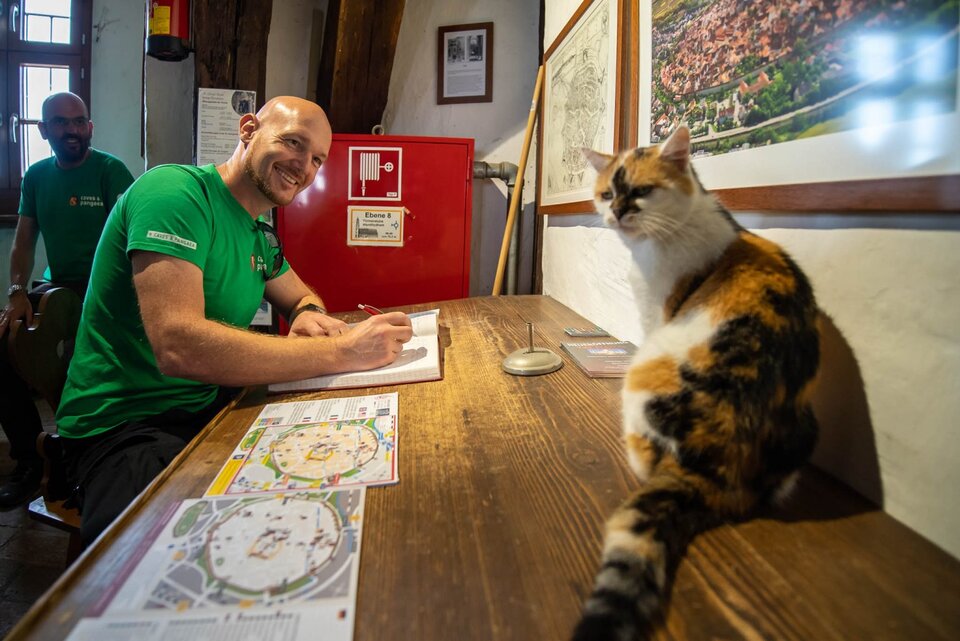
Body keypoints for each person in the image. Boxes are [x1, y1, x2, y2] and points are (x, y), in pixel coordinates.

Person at [55, 96, 413, 545]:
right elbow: (178, 344)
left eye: (317, 159)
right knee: (161, 556)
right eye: (293, 143)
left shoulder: (258, 232)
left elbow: (302, 295)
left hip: (203, 409)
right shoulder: (175, 193)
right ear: (248, 130)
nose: (303, 167)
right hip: (123, 427)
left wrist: (307, 315)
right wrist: (340, 350)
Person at [0, 92, 134, 509]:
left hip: (106, 286)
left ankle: (84, 457)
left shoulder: (111, 171)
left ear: (90, 127)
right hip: (55, 287)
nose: (72, 130)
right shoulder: (36, 176)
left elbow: (136, 238)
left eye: (80, 122)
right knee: (4, 343)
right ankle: (28, 460)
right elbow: (23, 242)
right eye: (61, 122)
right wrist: (17, 293)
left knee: (86, 360)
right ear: (44, 131)